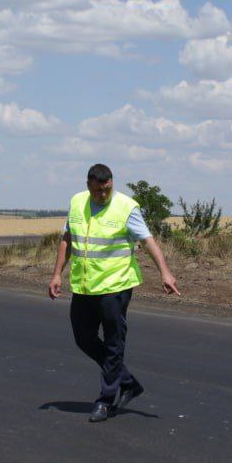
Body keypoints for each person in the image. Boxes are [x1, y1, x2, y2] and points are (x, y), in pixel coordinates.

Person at [48, 163, 179, 422]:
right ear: (88, 185)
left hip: (116, 285)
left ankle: (105, 399)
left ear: (112, 183)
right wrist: (56, 274)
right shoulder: (77, 202)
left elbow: (147, 240)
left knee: (113, 342)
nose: (103, 195)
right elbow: (67, 239)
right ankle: (127, 381)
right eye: (98, 190)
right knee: (83, 338)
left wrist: (165, 271)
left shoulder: (126, 207)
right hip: (85, 285)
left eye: (107, 189)